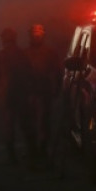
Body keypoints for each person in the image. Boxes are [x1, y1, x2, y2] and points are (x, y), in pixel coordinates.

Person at [0, 27, 38, 167]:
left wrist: (1, 88)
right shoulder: (23, 55)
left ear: (3, 40)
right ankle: (32, 155)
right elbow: (31, 74)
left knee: (8, 126)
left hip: (6, 97)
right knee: (26, 125)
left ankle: (12, 158)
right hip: (22, 96)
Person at [26, 23, 62, 162]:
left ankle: (41, 150)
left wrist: (57, 89)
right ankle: (36, 151)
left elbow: (58, 72)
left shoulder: (49, 52)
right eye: (34, 34)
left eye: (38, 34)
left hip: (42, 93)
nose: (36, 37)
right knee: (33, 123)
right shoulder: (26, 53)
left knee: (42, 122)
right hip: (31, 93)